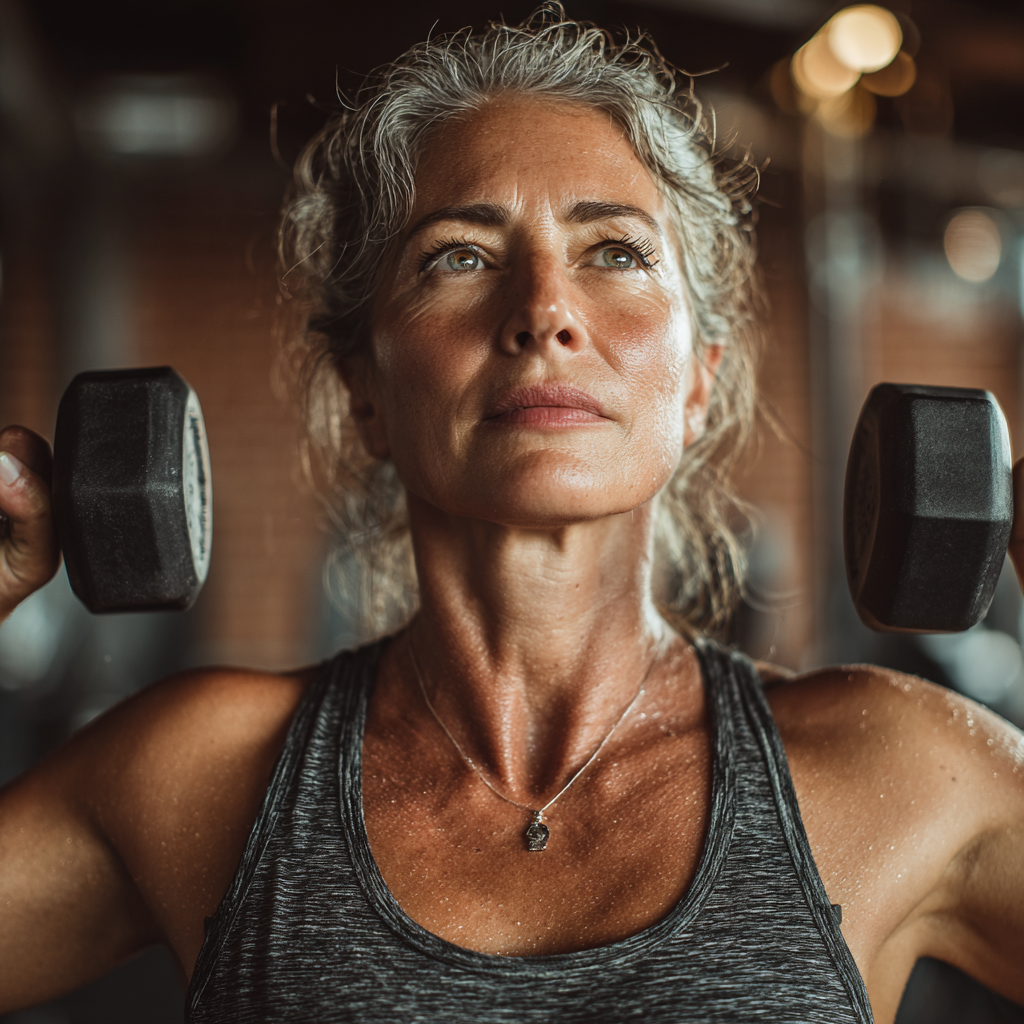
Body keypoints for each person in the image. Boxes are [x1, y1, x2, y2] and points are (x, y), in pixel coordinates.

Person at [1, 9, 1022, 1023]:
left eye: (615, 251)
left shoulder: (897, 773)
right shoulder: (204, 776)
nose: (543, 310)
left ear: (700, 381)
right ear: (364, 391)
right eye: (459, 255)